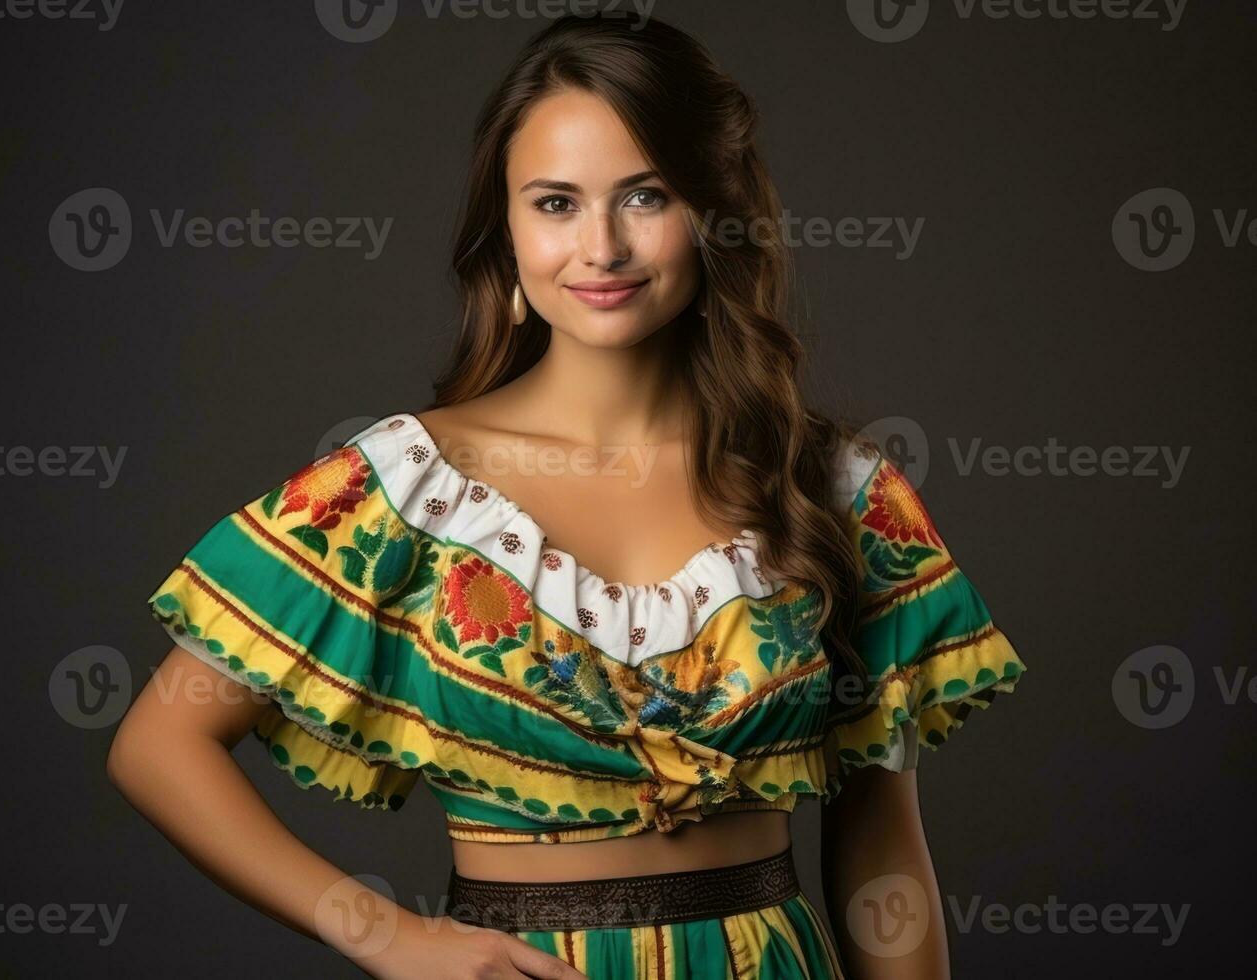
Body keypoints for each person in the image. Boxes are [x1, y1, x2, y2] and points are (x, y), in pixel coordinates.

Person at [107, 12, 1026, 979]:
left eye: (644, 196)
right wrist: (387, 936)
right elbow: (160, 746)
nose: (601, 247)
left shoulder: (833, 492)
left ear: (714, 211)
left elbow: (881, 845)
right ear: (503, 228)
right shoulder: (408, 491)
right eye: (554, 203)